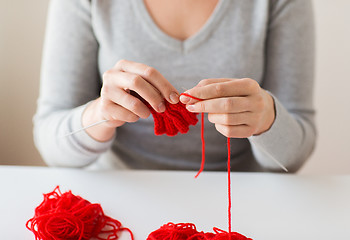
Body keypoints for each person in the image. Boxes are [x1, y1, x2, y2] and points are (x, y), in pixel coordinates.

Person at [34, 0, 316, 172]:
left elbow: (293, 160)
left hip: (239, 195)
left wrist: (268, 120)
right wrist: (99, 115)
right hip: (120, 193)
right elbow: (50, 143)